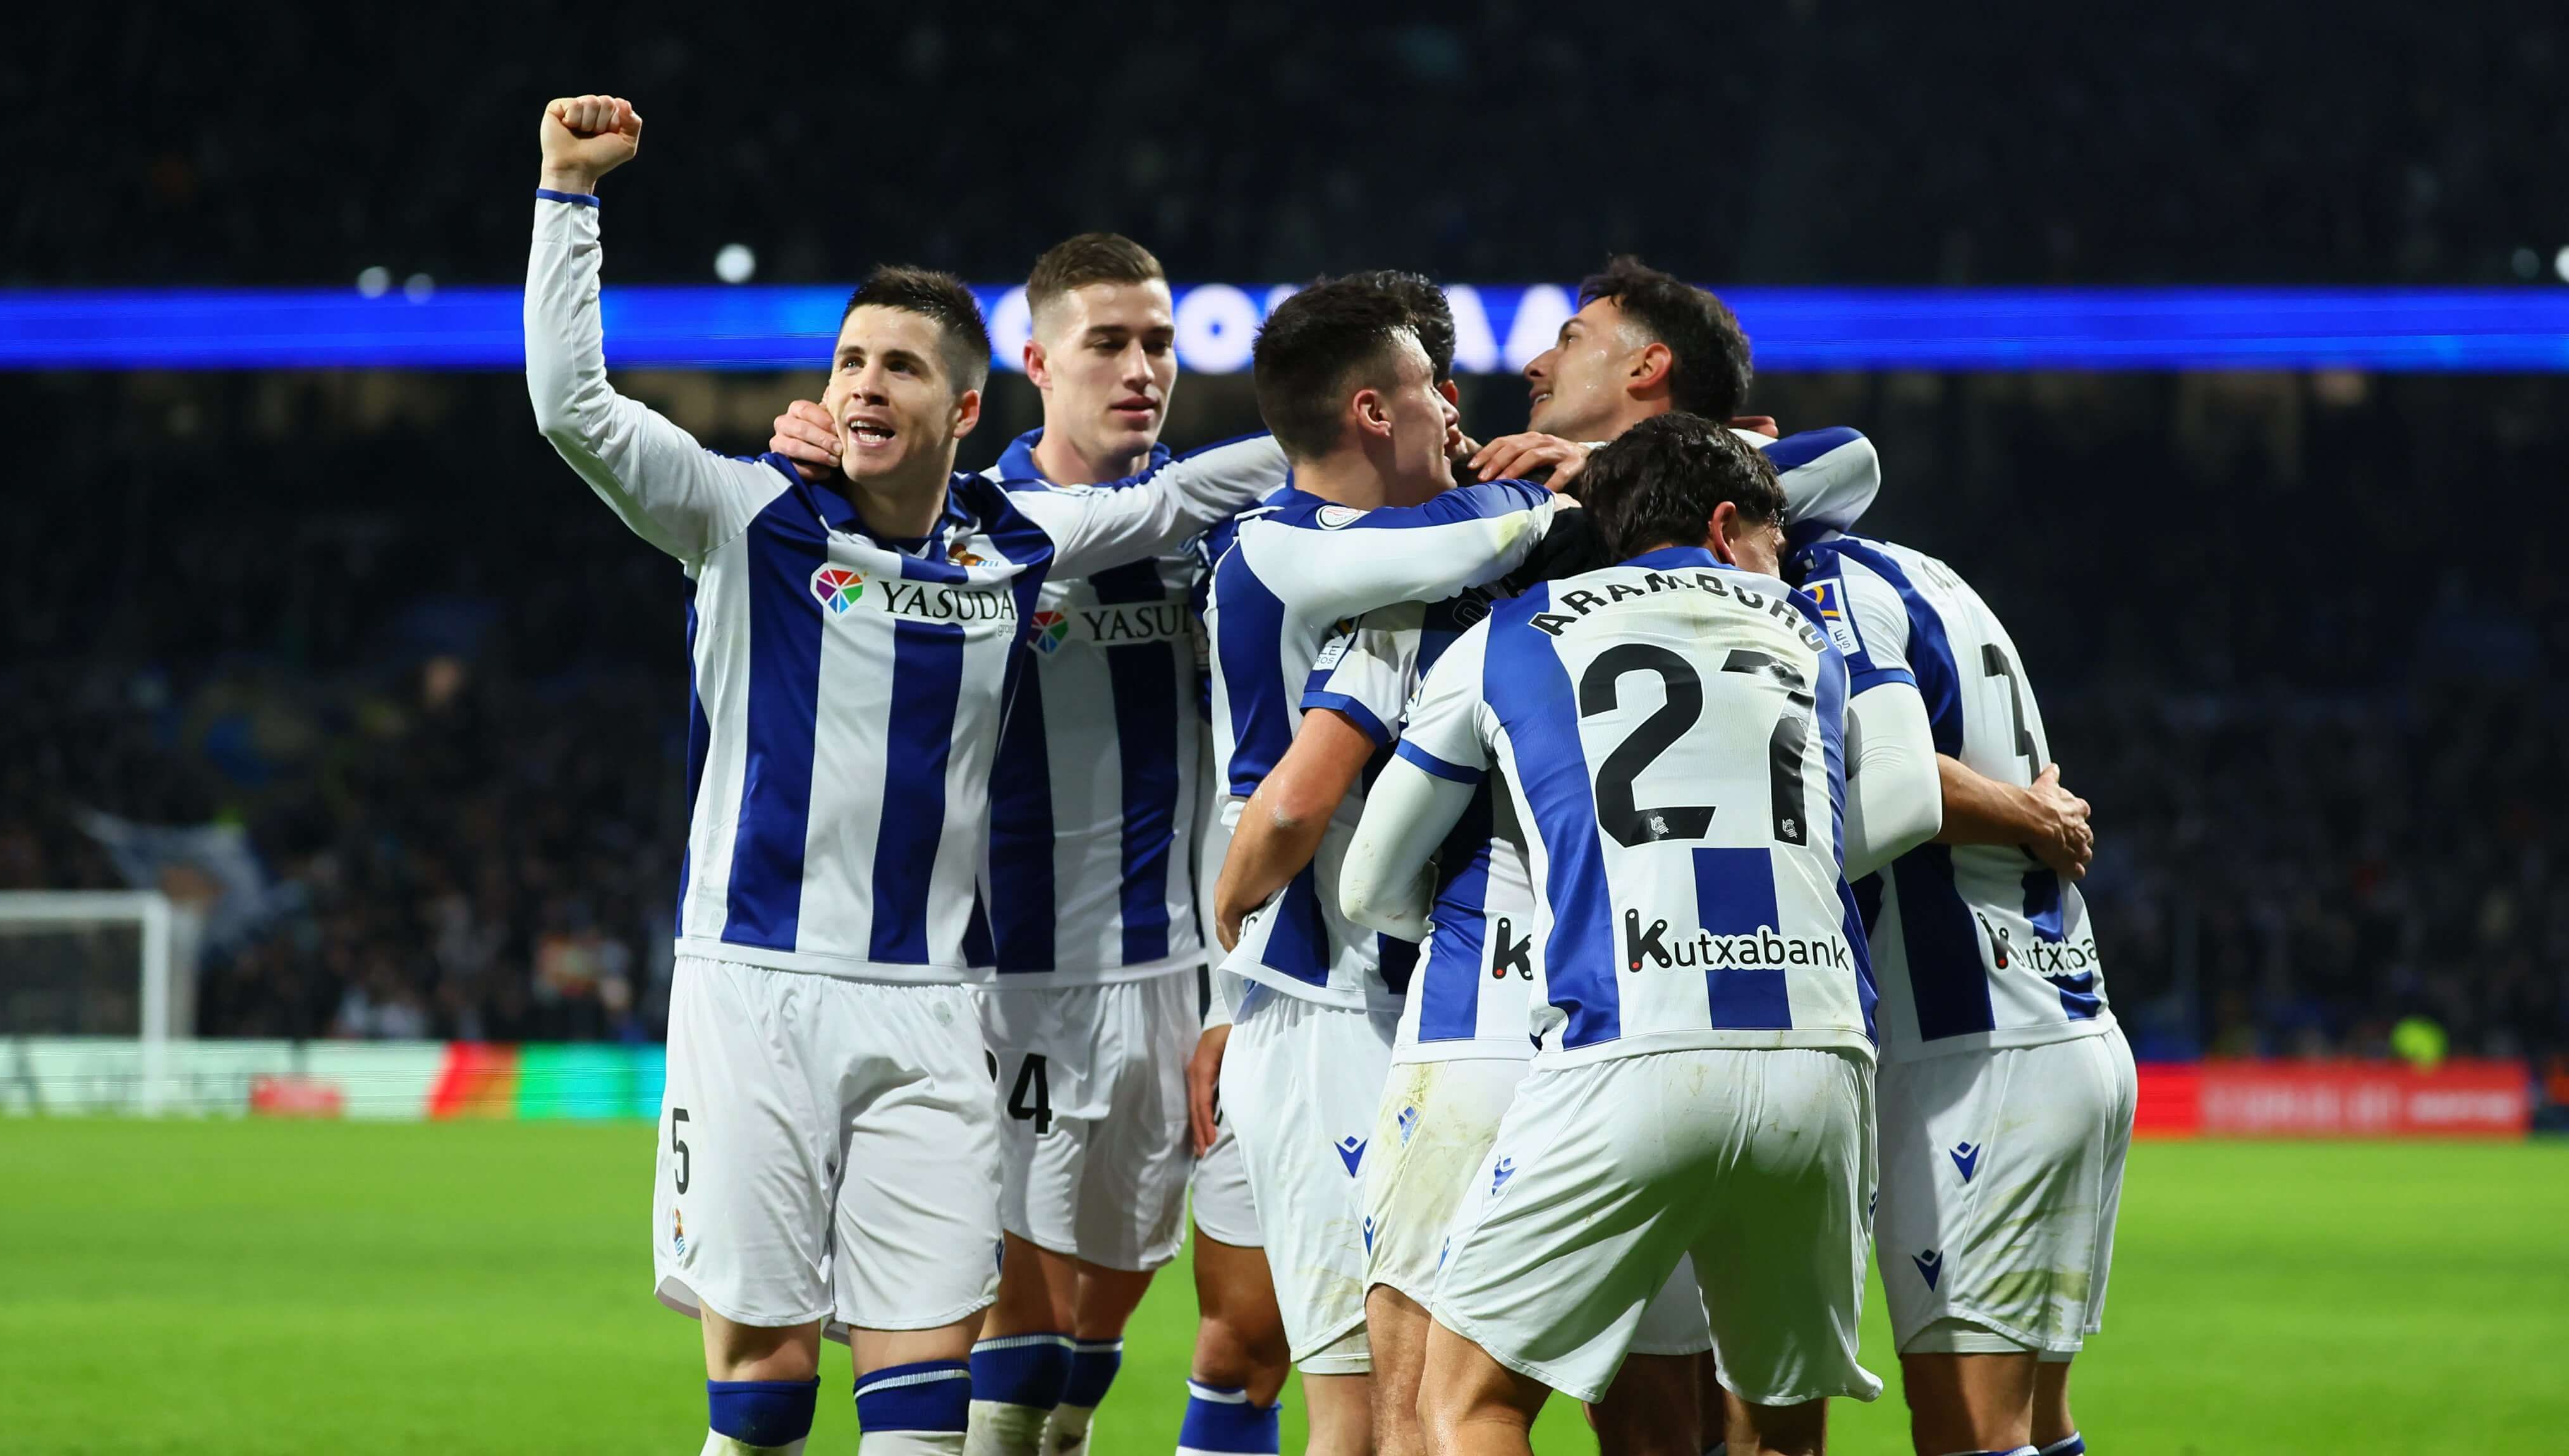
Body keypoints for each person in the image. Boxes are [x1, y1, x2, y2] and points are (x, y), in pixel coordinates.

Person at [526, 95, 1289, 1456]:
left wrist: (1402, 439)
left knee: (929, 1416)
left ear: (965, 407)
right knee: (760, 1402)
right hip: (755, 993)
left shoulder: (1014, 548)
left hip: (941, 1015)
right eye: (849, 363)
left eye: (899, 368)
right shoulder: (744, 516)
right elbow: (571, 408)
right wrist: (568, 197)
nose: (863, 386)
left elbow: (1192, 492)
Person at [1222, 262, 1903, 1456]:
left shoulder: (1504, 566)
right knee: (1701, 1406)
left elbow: (1848, 455)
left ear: (1647, 372)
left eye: (1569, 340)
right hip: (1741, 1006)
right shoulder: (1768, 586)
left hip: (1512, 1000)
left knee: (1451, 1399)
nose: (1527, 368)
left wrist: (1585, 488)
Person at [769, 231, 1222, 1456]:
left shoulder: (1209, 533)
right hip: (997, 982)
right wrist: (809, 444)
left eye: (1159, 345)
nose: (1140, 369)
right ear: (1033, 362)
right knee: (1006, 1347)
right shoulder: (976, 527)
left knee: (1088, 1342)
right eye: (1107, 344)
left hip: (1165, 977)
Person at [1201, 274, 1565, 1456]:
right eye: (1429, 389)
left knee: (1425, 1389)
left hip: (1395, 1003)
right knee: (1363, 1410)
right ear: (1370, 412)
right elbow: (1289, 812)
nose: (1454, 407)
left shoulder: (1412, 562)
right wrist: (1556, 483)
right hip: (1324, 1005)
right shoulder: (1282, 549)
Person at [1790, 501, 2125, 1456]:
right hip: (2059, 1018)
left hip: (1975, 1047)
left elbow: (1896, 783)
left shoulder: (1830, 581)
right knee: (2031, 1420)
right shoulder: (1922, 571)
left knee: (1967, 1430)